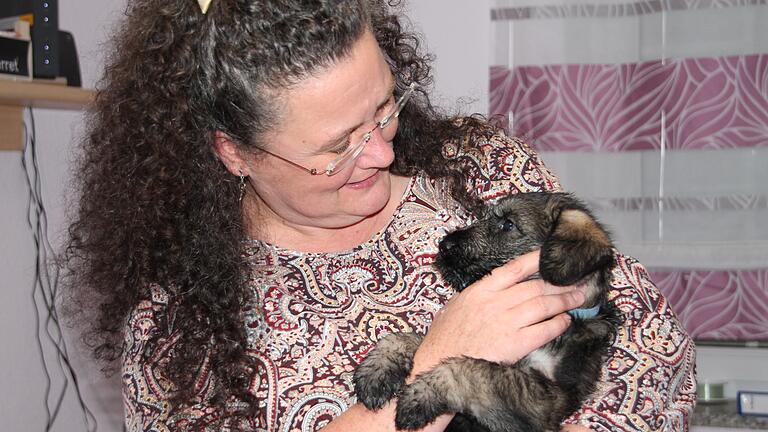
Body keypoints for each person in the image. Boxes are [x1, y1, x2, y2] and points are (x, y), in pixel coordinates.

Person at [65, 0, 697, 431]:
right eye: (338, 145)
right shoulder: (178, 328)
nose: (383, 149)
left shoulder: (482, 173)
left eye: (384, 106)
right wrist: (440, 363)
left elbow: (655, 350)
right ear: (234, 152)